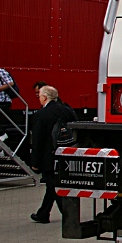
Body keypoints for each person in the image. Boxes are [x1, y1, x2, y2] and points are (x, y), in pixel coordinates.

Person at [30, 85, 77, 223]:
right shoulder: (67, 110)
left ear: (44, 97)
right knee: (52, 184)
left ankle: (69, 216)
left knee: (53, 184)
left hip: (49, 156)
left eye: (39, 96)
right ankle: (43, 214)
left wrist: (35, 162)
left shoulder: (41, 115)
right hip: (66, 153)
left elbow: (37, 140)